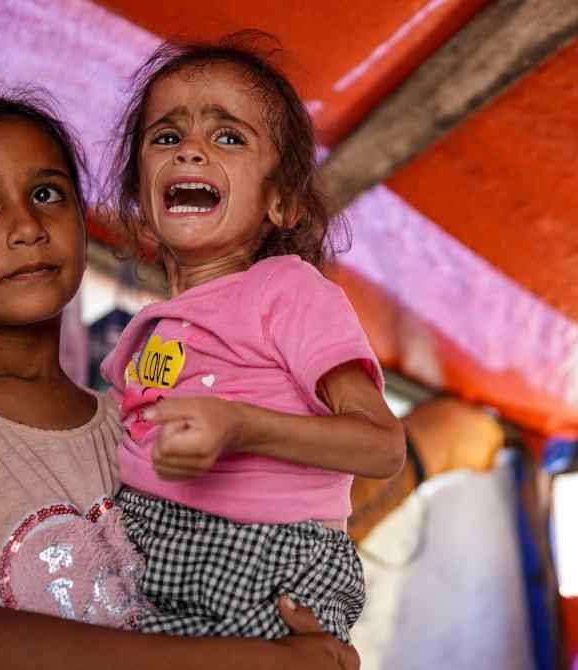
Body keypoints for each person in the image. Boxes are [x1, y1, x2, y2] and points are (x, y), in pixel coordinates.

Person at [0, 91, 359, 669]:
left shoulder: (145, 428)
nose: (26, 226)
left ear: (81, 222)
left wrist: (303, 635)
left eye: (47, 194)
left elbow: (251, 571)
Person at [98, 32, 406, 643]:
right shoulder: (154, 328)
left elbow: (382, 447)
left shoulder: (287, 292)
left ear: (281, 203)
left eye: (227, 136)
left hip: (265, 557)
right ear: (140, 194)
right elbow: (110, 435)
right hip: (149, 547)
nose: (190, 150)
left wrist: (242, 426)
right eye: (166, 136)